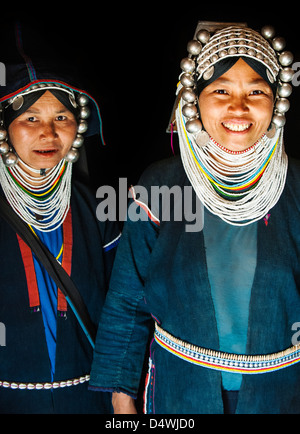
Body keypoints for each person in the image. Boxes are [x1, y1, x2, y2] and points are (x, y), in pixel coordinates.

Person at [89, 22, 300, 414]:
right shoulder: (161, 184)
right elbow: (127, 299)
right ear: (194, 99)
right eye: (221, 90)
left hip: (282, 394)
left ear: (277, 101)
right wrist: (122, 402)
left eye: (257, 91)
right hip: (179, 392)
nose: (239, 107)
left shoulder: (296, 186)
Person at [0, 25, 120, 413]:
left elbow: (124, 306)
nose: (49, 133)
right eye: (31, 118)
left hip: (89, 399)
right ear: (5, 128)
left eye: (62, 118)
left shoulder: (101, 207)